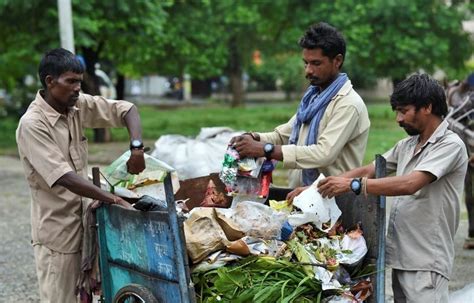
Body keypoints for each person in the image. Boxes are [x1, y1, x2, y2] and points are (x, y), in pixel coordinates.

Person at [293, 74, 467, 302]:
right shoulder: (408, 145)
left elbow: (410, 183)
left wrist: (354, 186)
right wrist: (314, 188)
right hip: (403, 258)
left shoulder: (450, 145)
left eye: (404, 111)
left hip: (427, 261)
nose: (398, 119)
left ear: (427, 107)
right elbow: (369, 170)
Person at [15, 48, 146, 303]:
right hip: (58, 235)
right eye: (71, 81)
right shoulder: (33, 124)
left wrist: (137, 148)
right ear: (50, 81)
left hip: (87, 225)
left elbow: (127, 109)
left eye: (80, 81)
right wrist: (113, 199)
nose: (77, 88)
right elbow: (64, 176)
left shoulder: (76, 106)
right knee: (61, 298)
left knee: (89, 296)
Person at [231, 22, 370, 187]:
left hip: (335, 201)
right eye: (306, 63)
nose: (308, 71)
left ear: (337, 61)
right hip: (302, 196)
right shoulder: (313, 98)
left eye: (316, 63)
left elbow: (323, 154)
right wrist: (253, 138)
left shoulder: (348, 104)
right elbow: (283, 136)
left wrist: (265, 149)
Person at [446, 73, 474, 249]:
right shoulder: (467, 93)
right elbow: (454, 119)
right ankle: (472, 233)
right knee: (470, 193)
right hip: (469, 150)